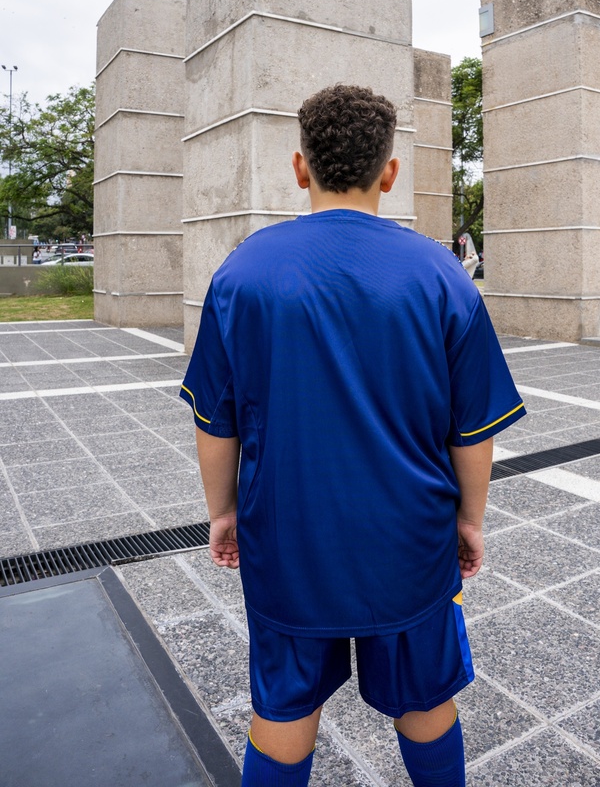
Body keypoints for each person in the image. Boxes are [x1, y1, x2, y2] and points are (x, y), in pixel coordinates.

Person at [180, 84, 526, 787]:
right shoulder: (441, 272)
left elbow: (214, 420)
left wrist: (223, 512)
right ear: (388, 173)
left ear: (299, 167)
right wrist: (469, 521)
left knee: (283, 709)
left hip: (287, 537)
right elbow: (471, 431)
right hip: (408, 538)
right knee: (425, 701)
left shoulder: (242, 271)